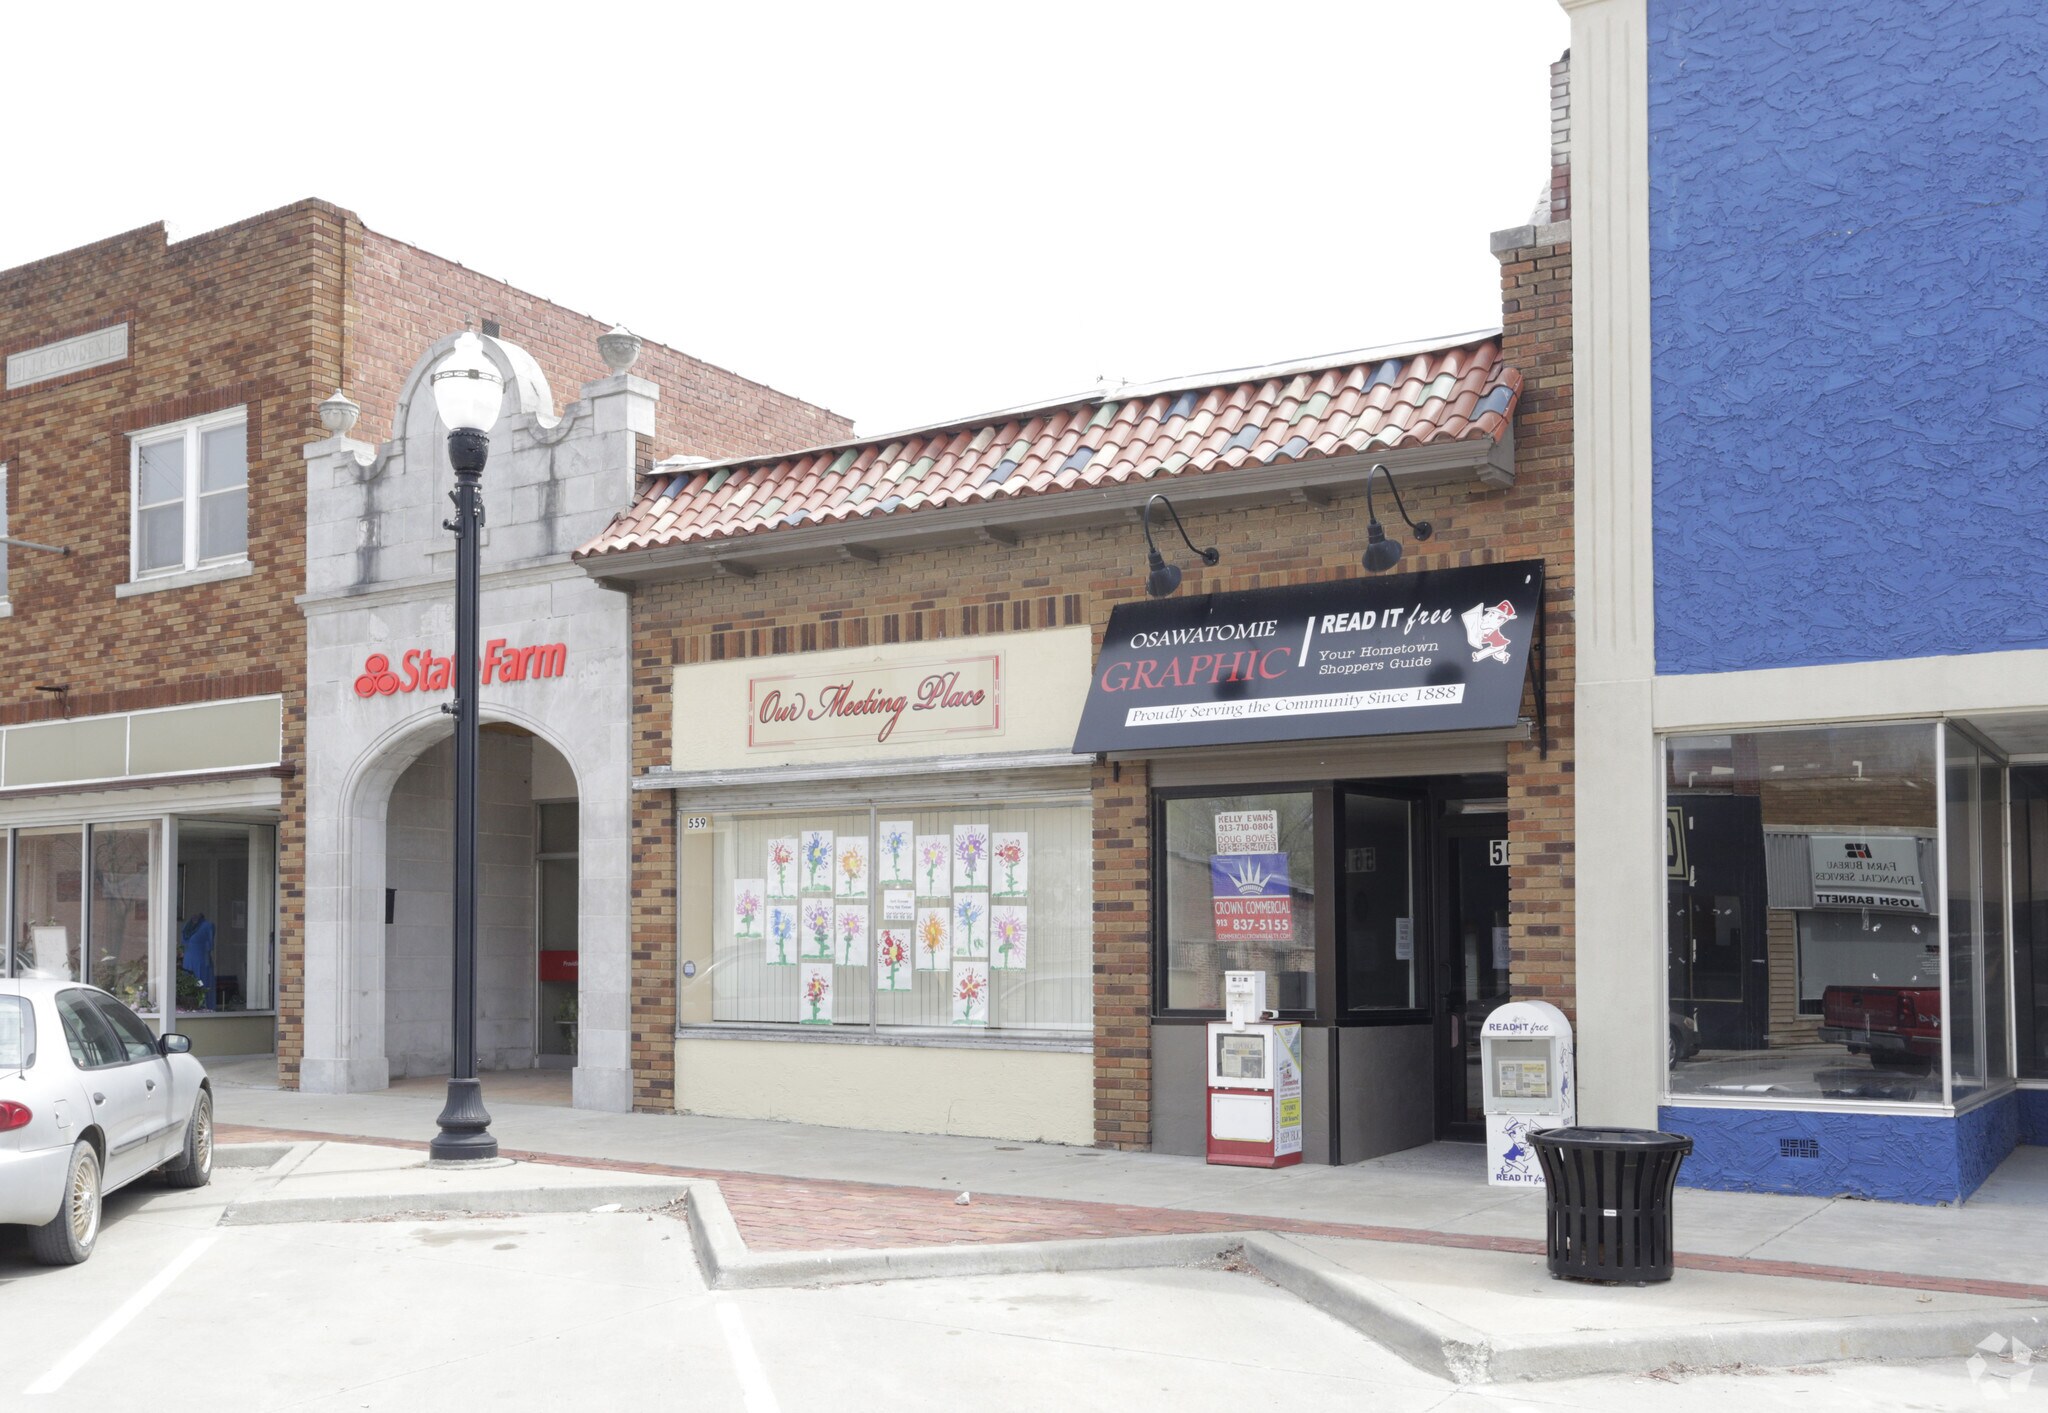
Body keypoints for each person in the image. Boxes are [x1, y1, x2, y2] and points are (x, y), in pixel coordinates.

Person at [180, 913, 216, 1010]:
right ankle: (188, 1007)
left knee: (201, 984)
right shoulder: (187, 926)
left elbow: (210, 945)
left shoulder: (208, 926)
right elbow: (183, 944)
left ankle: (205, 1007)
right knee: (188, 985)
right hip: (187, 961)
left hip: (201, 961)